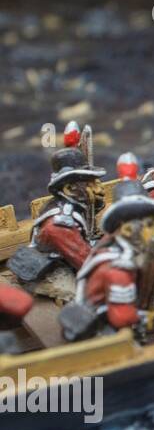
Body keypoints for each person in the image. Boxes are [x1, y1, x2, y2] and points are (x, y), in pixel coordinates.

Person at [62, 154, 154, 342]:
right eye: (149, 226)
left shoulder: (136, 252)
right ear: (128, 230)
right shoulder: (117, 269)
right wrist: (143, 317)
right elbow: (121, 316)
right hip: (105, 321)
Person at [5, 122, 106, 302]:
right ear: (70, 189)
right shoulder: (60, 225)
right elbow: (85, 261)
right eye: (90, 184)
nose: (98, 188)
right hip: (54, 266)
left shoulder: (72, 206)